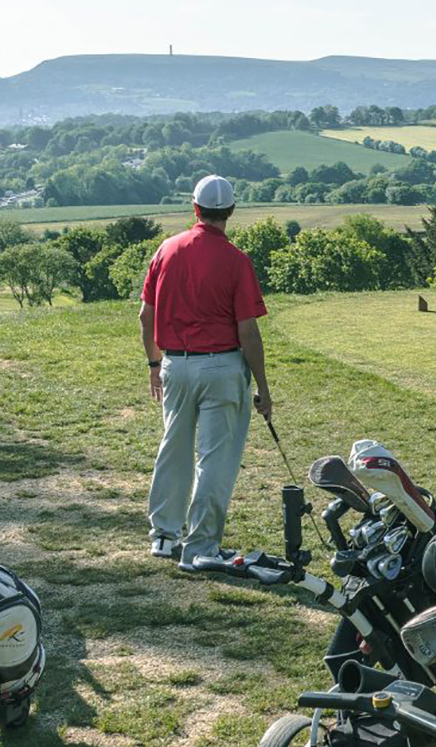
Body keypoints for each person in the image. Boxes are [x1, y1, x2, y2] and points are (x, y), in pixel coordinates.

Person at [138, 175, 272, 573]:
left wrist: (153, 364)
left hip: (175, 364)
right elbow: (247, 330)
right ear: (229, 211)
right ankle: (201, 545)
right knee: (215, 458)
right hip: (222, 365)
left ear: (195, 208)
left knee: (173, 446)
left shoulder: (167, 249)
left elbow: (146, 315)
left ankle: (164, 534)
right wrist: (263, 386)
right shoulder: (235, 260)